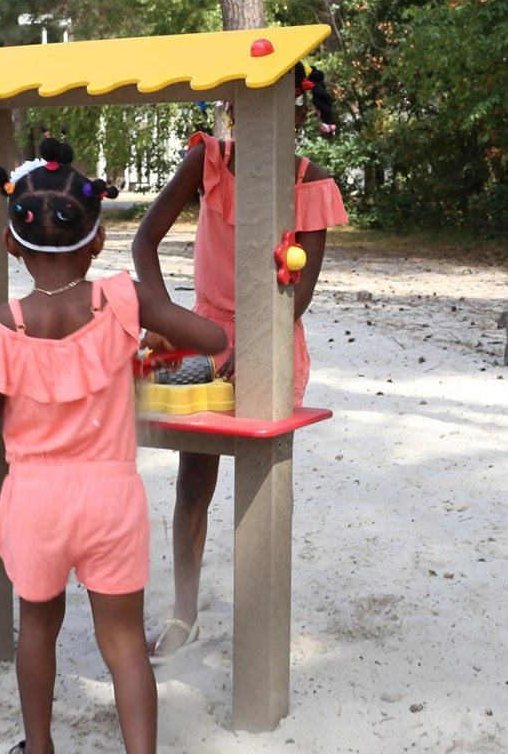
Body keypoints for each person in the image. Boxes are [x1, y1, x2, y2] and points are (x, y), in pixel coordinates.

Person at [0, 132, 228, 754]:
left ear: (9, 242)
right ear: (99, 239)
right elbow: (212, 339)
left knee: (38, 631)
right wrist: (150, 340)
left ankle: (39, 747)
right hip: (111, 497)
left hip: (35, 501)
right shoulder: (121, 300)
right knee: (124, 642)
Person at [131, 62, 350, 664]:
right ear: (229, 109)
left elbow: (298, 293)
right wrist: (165, 317)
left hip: (273, 339)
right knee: (194, 482)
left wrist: (255, 348)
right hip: (201, 336)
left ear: (299, 113)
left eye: (274, 108)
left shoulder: (312, 181)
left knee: (258, 482)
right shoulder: (208, 161)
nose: (250, 120)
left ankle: (259, 630)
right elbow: (143, 240)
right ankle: (184, 613)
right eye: (241, 106)